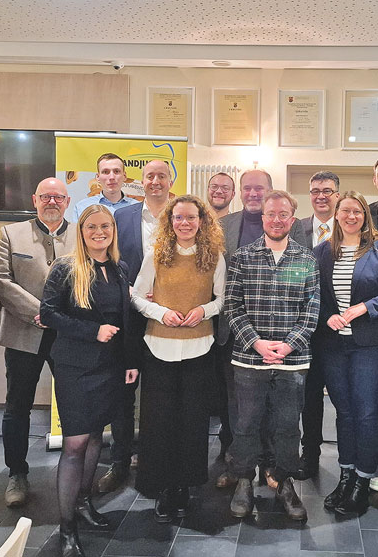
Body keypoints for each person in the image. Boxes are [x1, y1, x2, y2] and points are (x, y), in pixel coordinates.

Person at [40, 205, 139, 557]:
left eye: (106, 226)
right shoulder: (66, 268)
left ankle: (83, 503)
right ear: (81, 232)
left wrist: (130, 361)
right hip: (76, 368)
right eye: (92, 227)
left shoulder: (119, 268)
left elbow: (125, 319)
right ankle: (67, 529)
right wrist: (92, 330)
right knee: (75, 445)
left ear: (113, 229)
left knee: (97, 435)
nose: (100, 232)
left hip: (111, 367)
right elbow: (48, 313)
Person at [225, 190, 320, 522]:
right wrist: (257, 343)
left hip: (293, 360)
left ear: (292, 219)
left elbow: (312, 309)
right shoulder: (243, 257)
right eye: (271, 214)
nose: (277, 220)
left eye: (283, 215)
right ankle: (244, 481)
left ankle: (284, 482)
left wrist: (289, 344)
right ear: (262, 217)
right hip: (249, 358)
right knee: (246, 423)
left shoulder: (307, 259)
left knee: (287, 426)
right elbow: (232, 307)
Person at [131, 195, 226, 523]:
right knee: (159, 423)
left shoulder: (214, 256)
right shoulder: (155, 254)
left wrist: (204, 310)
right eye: (179, 218)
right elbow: (136, 295)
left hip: (199, 349)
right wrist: (160, 312)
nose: (185, 223)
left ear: (202, 221)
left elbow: (223, 299)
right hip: (159, 348)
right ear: (170, 222)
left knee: (192, 423)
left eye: (191, 218)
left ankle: (185, 486)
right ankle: (162, 487)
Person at [315, 191, 378, 515]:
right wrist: (327, 315)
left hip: (373, 344)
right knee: (344, 413)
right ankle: (346, 475)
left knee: (367, 412)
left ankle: (363, 481)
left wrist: (365, 307)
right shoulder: (322, 251)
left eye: (357, 211)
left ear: (365, 216)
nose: (351, 216)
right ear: (336, 214)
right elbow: (314, 295)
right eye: (345, 211)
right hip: (334, 346)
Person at [214, 170, 306, 488]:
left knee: (277, 407)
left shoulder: (294, 227)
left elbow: (301, 278)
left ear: (270, 191)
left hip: (281, 335)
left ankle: (271, 464)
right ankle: (237, 464)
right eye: (247, 188)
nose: (253, 193)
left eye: (259, 188)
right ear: (240, 192)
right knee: (237, 406)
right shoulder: (224, 225)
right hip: (235, 332)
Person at [0, 177, 76, 508]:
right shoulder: (11, 234)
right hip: (23, 331)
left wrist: (61, 317)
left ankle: (75, 473)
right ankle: (17, 473)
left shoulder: (82, 234)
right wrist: (39, 313)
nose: (52, 201)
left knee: (74, 404)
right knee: (17, 405)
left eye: (58, 197)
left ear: (67, 202)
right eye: (46, 196)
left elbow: (90, 280)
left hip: (68, 334)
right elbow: (2, 281)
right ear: (34, 200)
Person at [100, 159, 174, 493]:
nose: (155, 181)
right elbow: (110, 260)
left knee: (160, 394)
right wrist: (126, 290)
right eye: (150, 176)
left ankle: (156, 458)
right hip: (128, 317)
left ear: (170, 181)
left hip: (169, 318)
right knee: (123, 393)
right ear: (140, 181)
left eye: (162, 176)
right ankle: (119, 460)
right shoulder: (121, 217)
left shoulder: (182, 215)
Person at [296, 170, 340, 480]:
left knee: (342, 396)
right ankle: (309, 453)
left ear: (337, 195)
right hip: (304, 329)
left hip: (339, 328)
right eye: (315, 191)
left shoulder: (352, 227)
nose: (321, 196)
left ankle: (350, 457)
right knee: (309, 397)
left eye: (327, 191)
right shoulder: (295, 228)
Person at [69, 153, 137, 222]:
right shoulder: (82, 207)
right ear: (97, 177)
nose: (111, 177)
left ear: (124, 176)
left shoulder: (138, 207)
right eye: (105, 172)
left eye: (116, 171)